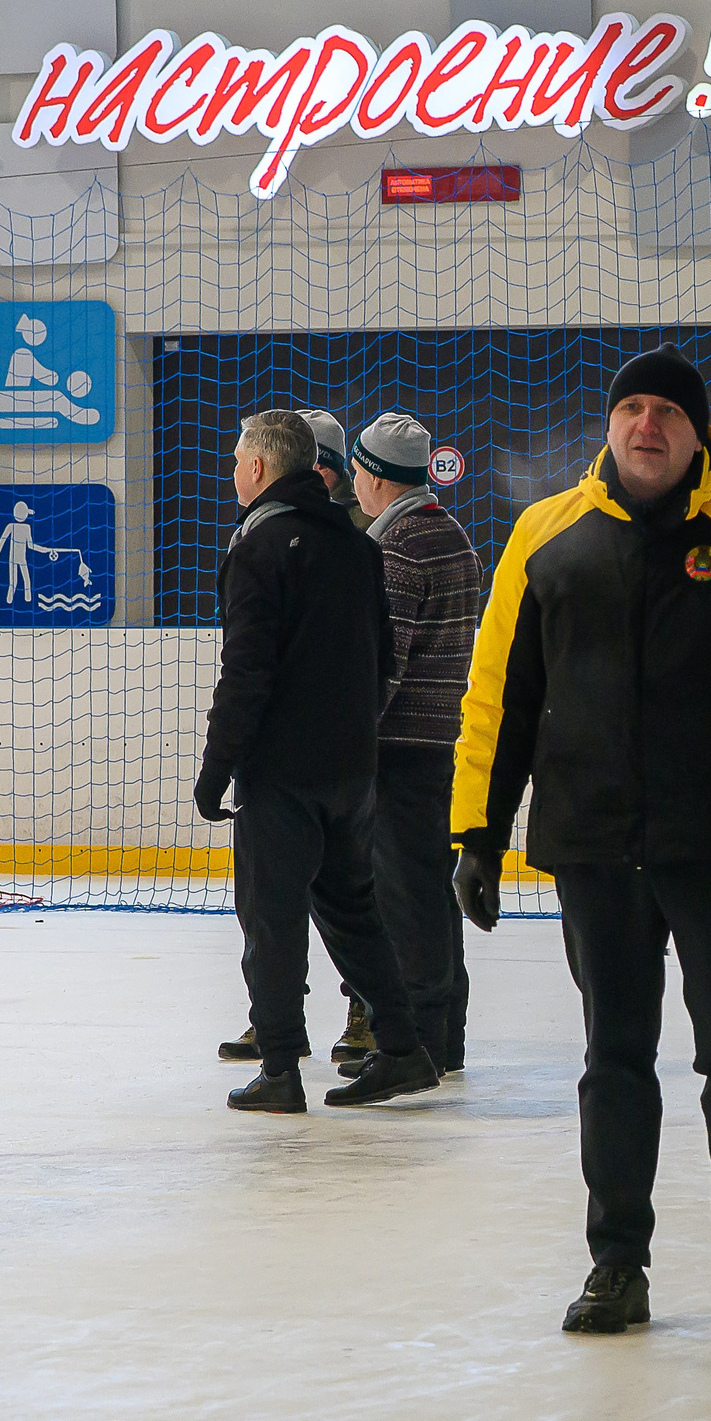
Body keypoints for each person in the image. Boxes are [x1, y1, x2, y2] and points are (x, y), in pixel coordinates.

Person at [451, 344, 711, 1335]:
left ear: (696, 433)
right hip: (593, 848)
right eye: (631, 408)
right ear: (609, 424)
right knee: (614, 1059)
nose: (646, 426)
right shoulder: (547, 539)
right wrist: (476, 830)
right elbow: (501, 696)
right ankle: (616, 1263)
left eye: (666, 413)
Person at [194, 409, 441, 1114]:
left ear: (263, 468)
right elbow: (382, 657)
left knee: (271, 915)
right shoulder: (358, 543)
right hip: (352, 767)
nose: (234, 470)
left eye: (240, 459)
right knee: (352, 907)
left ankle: (279, 1066)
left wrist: (217, 770)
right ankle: (401, 1046)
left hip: (283, 771)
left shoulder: (260, 544)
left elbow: (245, 673)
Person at [217, 404, 379, 1068]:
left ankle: (366, 1012)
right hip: (286, 753)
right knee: (269, 901)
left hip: (343, 749)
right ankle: (276, 1017)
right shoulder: (263, 531)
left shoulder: (353, 537)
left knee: (350, 895)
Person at [328, 411, 480, 1081]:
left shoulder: (398, 548)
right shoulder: (449, 533)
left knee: (403, 896)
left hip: (395, 748)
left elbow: (381, 664)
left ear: (380, 479)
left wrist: (346, 739)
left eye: (358, 472)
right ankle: (444, 1038)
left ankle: (415, 1044)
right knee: (429, 891)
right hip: (438, 740)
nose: (354, 484)